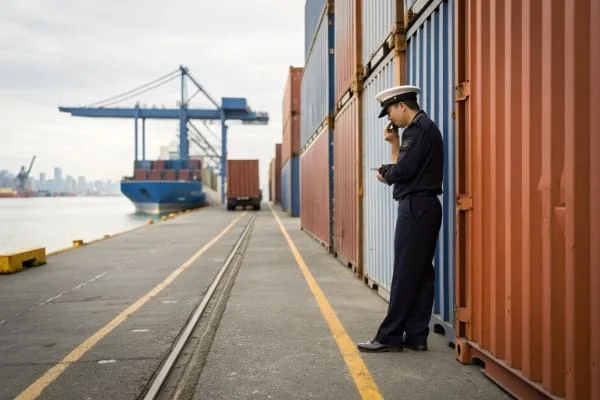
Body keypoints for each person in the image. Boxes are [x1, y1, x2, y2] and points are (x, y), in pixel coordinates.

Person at [357, 85, 443, 353]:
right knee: (421, 272)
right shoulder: (422, 129)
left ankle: (389, 336)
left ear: (402, 106)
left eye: (390, 112)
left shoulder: (418, 130)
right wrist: (394, 146)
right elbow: (409, 169)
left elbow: (403, 171)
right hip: (425, 206)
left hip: (415, 208)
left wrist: (386, 171)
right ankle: (417, 335)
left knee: (405, 273)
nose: (390, 119)